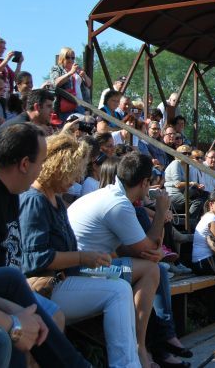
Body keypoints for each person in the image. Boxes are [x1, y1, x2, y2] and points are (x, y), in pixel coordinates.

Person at [18, 132, 140, 368]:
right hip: (48, 286)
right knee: (118, 290)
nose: (76, 179)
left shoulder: (54, 198)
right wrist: (84, 256)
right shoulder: (35, 200)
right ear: (57, 167)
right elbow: (33, 259)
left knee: (123, 278)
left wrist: (93, 259)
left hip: (69, 276)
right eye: (73, 171)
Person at [68, 152, 189, 367]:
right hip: (83, 272)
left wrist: (153, 251)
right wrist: (161, 211)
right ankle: (140, 347)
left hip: (86, 266)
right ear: (144, 183)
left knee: (156, 268)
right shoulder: (119, 205)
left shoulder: (109, 195)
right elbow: (151, 248)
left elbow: (139, 250)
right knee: (153, 270)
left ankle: (157, 341)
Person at [0, 123, 91, 367]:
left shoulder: (11, 191)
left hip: (2, 290)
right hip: (5, 289)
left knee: (27, 307)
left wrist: (15, 314)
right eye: (41, 162)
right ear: (24, 164)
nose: (42, 170)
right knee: (11, 328)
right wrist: (10, 321)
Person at [49, 47, 91, 119]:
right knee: (68, 127)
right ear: (62, 58)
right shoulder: (57, 68)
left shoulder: (77, 69)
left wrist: (84, 75)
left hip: (80, 105)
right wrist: (71, 73)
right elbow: (55, 83)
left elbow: (89, 84)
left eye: (73, 58)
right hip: (65, 106)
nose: (70, 60)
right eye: (68, 57)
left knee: (81, 128)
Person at [0, 33, 23, 101]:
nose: (2, 50)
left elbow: (15, 77)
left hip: (6, 95)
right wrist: (7, 59)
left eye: (4, 48)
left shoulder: (1, 61)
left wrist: (19, 63)